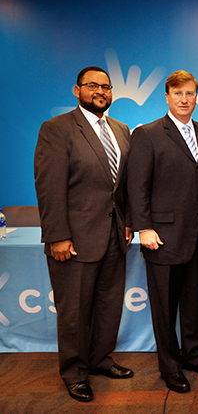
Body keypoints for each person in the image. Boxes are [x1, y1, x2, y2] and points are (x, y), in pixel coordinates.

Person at [34, 66, 134, 402]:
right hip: (74, 239)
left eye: (106, 87)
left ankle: (100, 358)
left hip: (113, 235)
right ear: (76, 90)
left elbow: (123, 187)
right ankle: (75, 372)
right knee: (75, 310)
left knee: (107, 304)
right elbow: (49, 187)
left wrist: (129, 221)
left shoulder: (121, 130)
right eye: (92, 86)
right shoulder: (56, 129)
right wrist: (57, 235)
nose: (100, 92)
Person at [127, 70, 198, 393]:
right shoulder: (148, 133)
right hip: (163, 237)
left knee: (194, 301)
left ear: (197, 97)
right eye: (178, 94)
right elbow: (137, 185)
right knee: (165, 307)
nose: (185, 100)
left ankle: (193, 355)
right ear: (167, 97)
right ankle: (169, 366)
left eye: (190, 94)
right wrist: (143, 227)